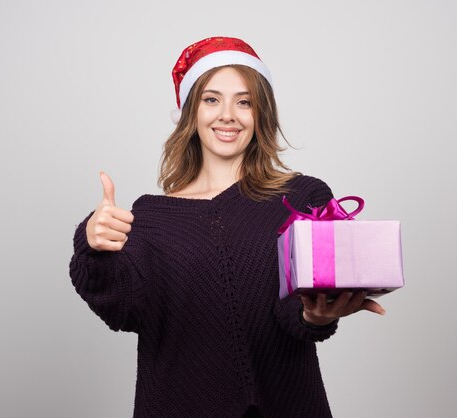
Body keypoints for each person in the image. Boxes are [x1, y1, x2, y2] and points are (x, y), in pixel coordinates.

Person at [69, 36, 385, 418]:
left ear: (260, 113)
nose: (228, 115)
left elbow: (293, 306)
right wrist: (93, 244)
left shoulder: (302, 196)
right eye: (212, 99)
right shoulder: (150, 218)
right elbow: (124, 309)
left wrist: (315, 316)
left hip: (286, 404)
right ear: (190, 112)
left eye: (244, 101)